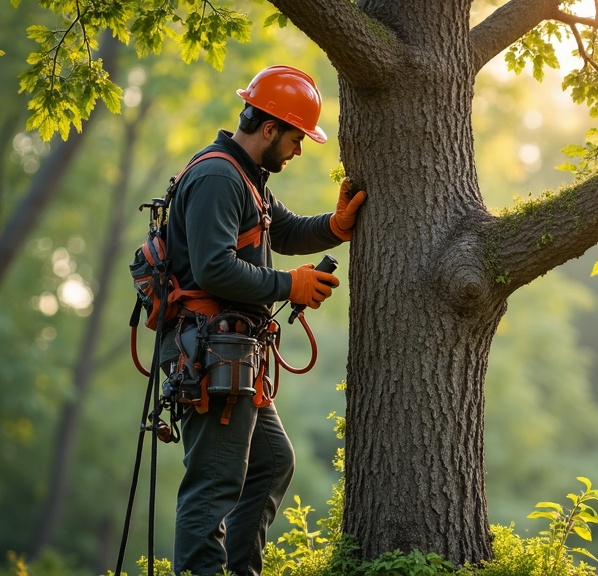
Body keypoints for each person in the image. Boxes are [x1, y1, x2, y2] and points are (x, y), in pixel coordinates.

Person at [161, 64, 365, 576]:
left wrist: (336, 226)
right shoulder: (217, 177)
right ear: (270, 128)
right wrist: (288, 285)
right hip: (209, 352)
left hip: (230, 352)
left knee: (271, 462)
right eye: (296, 139)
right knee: (212, 488)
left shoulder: (246, 176)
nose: (299, 150)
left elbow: (285, 232)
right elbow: (214, 267)